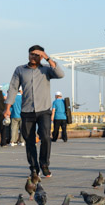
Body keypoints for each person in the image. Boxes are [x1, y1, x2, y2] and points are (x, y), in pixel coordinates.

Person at [4, 45, 65, 178]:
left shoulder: (47, 70)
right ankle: (33, 168)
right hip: (27, 111)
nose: (33, 56)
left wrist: (47, 57)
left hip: (44, 110)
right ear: (28, 55)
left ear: (41, 56)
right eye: (31, 54)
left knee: (45, 137)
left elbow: (60, 74)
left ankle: (44, 164)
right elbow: (13, 88)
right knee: (29, 140)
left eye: (37, 55)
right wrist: (7, 108)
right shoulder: (20, 70)